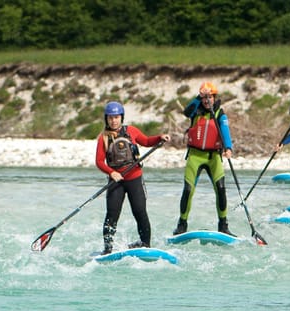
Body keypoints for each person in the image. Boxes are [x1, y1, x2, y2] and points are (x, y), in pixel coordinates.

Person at [94, 102, 170, 254]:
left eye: (116, 117)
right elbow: (99, 161)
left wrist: (159, 138)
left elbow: (147, 141)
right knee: (112, 215)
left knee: (140, 211)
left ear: (121, 117)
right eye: (110, 118)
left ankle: (145, 244)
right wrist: (111, 172)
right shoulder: (103, 138)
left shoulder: (131, 131)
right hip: (116, 182)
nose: (113, 121)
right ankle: (107, 249)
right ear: (106, 119)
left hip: (135, 179)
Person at [173, 81, 236, 236]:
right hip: (195, 156)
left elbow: (225, 131)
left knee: (221, 189)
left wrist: (228, 147)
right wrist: (198, 96)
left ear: (214, 98)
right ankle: (182, 224)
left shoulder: (220, 113)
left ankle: (223, 225)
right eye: (205, 98)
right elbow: (186, 112)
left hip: (213, 157)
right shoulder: (196, 111)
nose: (208, 101)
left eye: (210, 97)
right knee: (188, 190)